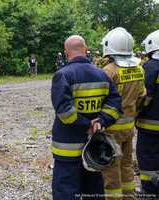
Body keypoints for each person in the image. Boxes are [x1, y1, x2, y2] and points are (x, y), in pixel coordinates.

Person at [51, 35, 122, 200]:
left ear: (66, 53)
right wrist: (101, 121)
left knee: (66, 190)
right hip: (95, 145)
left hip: (68, 146)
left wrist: (86, 124)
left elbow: (65, 112)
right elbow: (116, 104)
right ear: (86, 50)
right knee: (93, 188)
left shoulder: (62, 75)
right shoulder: (102, 74)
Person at [101, 27, 146, 200]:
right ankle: (129, 196)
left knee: (111, 168)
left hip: (111, 128)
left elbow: (102, 98)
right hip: (129, 128)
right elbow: (142, 96)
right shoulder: (139, 69)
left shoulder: (109, 71)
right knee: (127, 165)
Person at [136, 30, 159, 198]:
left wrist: (135, 112)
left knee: (149, 158)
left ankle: (151, 190)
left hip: (150, 126)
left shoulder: (149, 68)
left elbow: (144, 97)